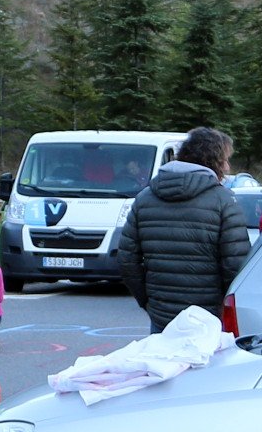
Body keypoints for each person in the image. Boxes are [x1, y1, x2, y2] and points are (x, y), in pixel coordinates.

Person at [106, 125, 252, 334]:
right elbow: (235, 267)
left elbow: (127, 260)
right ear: (214, 162)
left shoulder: (145, 198)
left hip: (161, 315)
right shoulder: (224, 201)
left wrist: (148, 302)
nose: (228, 168)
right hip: (208, 318)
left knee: (163, 366)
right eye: (225, 160)